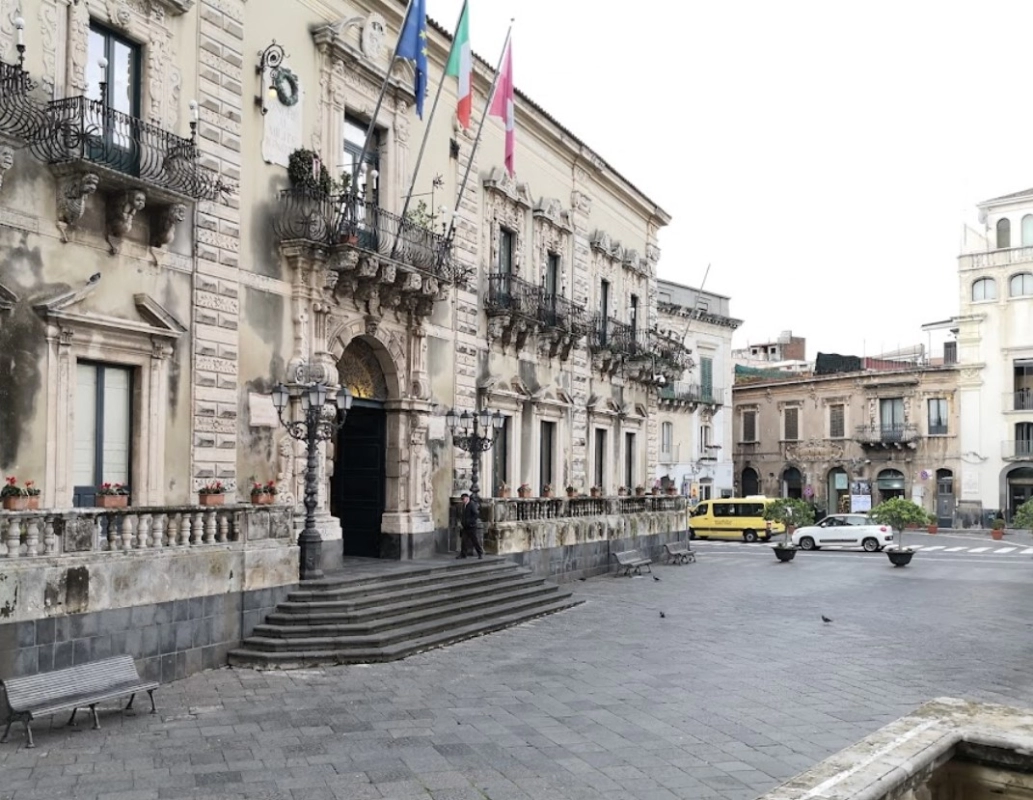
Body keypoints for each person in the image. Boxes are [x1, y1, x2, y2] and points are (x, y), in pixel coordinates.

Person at [458, 492, 483, 559]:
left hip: (471, 526)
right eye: (462, 499)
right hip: (465, 526)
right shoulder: (464, 505)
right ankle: (463, 554)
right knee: (464, 541)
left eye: (463, 499)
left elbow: (476, 514)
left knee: (474, 541)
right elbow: (463, 515)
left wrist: (470, 521)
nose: (462, 500)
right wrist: (462, 522)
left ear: (467, 498)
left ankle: (480, 553)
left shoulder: (471, 504)